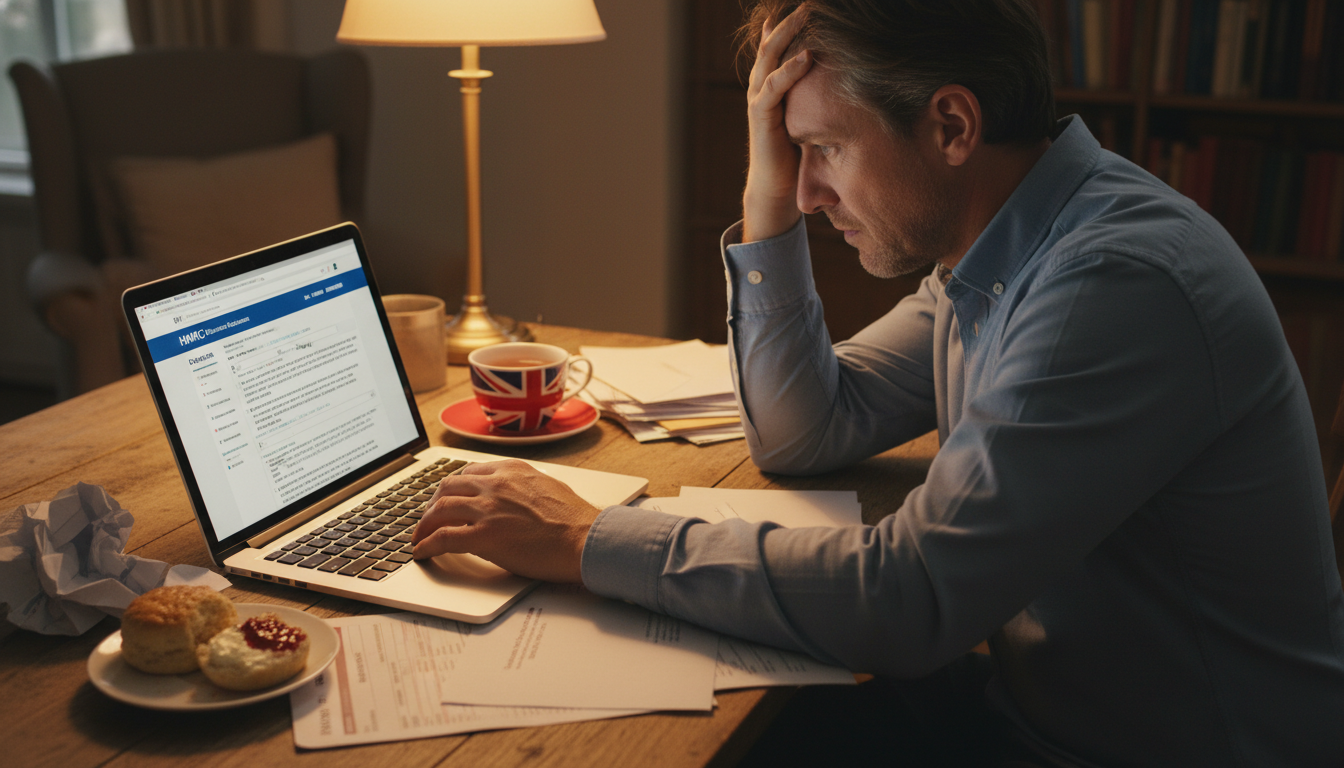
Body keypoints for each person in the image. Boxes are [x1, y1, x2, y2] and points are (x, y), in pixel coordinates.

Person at [411, 1, 1344, 765]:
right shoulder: (1004, 246)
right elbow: (805, 430)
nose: (810, 192)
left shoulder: (1107, 287)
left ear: (949, 125)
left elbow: (911, 600)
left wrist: (585, 537)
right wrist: (767, 193)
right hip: (1041, 707)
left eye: (823, 150)